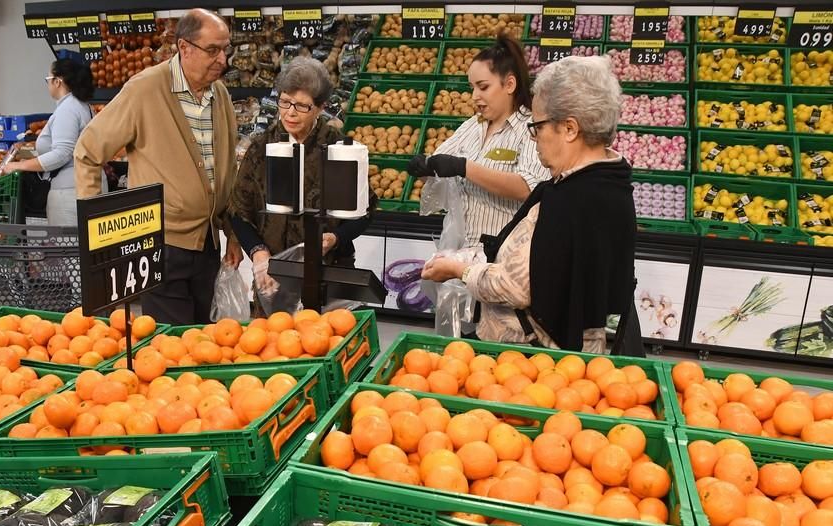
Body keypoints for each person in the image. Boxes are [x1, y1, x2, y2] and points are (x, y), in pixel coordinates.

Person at [421, 55, 638, 355]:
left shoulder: (571, 200)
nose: (534, 138)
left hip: (533, 361)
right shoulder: (614, 181)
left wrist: (458, 270)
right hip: (578, 353)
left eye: (537, 126)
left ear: (570, 129)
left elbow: (515, 287)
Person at [74, 8, 241, 326]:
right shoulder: (145, 90)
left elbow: (227, 169)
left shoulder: (219, 94)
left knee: (204, 338)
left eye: (226, 49)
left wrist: (232, 233)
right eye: (213, 50)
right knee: (172, 346)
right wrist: (98, 233)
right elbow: (87, 150)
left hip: (207, 242)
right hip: (160, 243)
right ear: (184, 47)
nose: (223, 60)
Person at [227, 56, 373, 314]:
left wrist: (335, 238)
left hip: (328, 273)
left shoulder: (338, 148)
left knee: (325, 343)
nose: (290, 113)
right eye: (284, 102)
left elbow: (364, 212)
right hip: (273, 274)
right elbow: (239, 211)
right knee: (274, 346)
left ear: (320, 107)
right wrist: (258, 252)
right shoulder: (261, 148)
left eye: (302, 106)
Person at [407, 36, 548, 246]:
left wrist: (464, 167)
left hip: (505, 258)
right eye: (472, 87)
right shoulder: (471, 126)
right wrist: (426, 170)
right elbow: (442, 182)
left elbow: (530, 188)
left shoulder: (529, 127)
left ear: (509, 84)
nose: (474, 96)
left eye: (483, 87)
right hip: (459, 253)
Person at [3, 58, 101, 226]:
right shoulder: (84, 107)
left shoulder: (68, 109)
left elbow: (62, 153)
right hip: (88, 185)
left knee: (69, 250)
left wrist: (20, 165)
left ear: (58, 82)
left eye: (48, 79)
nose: (47, 84)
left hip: (70, 193)